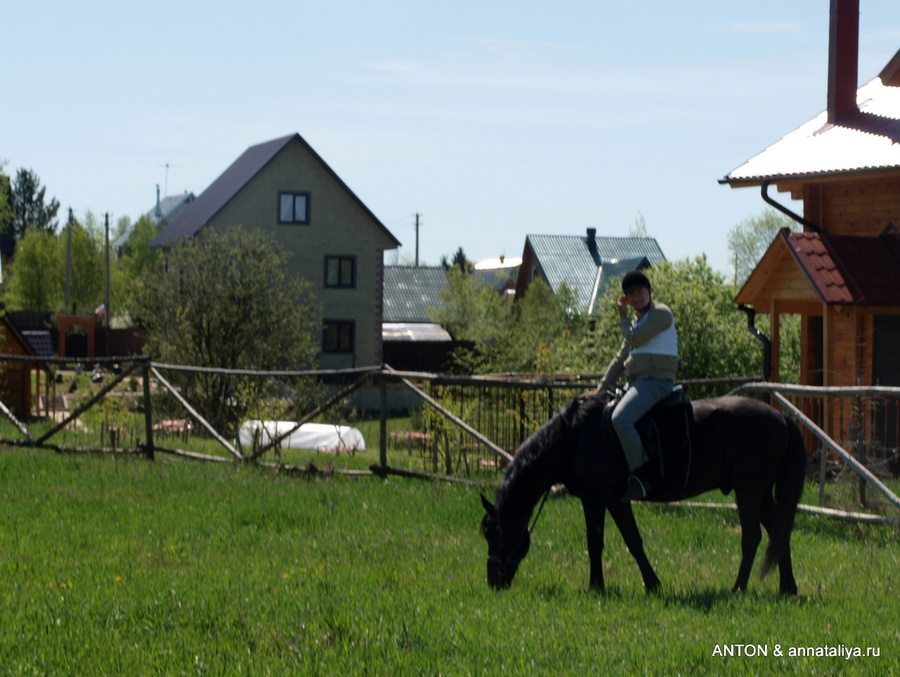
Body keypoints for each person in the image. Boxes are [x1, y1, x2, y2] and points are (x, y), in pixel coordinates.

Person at [599, 270, 678, 501]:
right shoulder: (636, 323)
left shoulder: (660, 314)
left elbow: (634, 340)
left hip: (656, 383)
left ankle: (641, 475)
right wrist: (601, 389)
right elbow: (620, 359)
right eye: (631, 294)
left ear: (649, 292)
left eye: (640, 292)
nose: (636, 298)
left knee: (620, 419)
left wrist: (622, 316)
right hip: (637, 384)